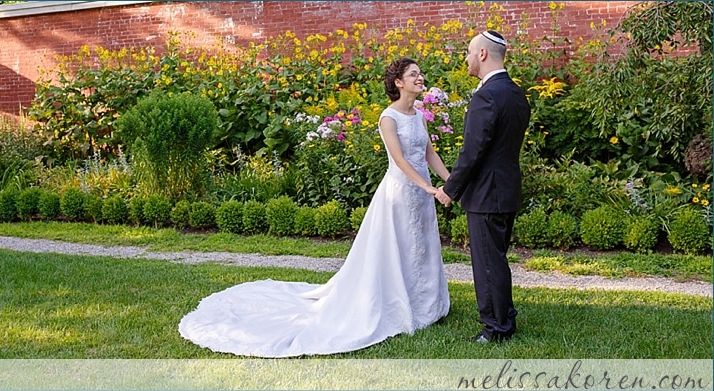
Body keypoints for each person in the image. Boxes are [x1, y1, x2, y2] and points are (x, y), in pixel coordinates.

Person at [178, 57, 451, 357]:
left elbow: (429, 154)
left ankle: (424, 305)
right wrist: (427, 187)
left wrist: (449, 183)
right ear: (399, 82)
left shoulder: (419, 117)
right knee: (396, 249)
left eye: (420, 74)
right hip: (400, 193)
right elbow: (399, 160)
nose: (420, 77)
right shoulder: (388, 118)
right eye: (414, 74)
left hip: (422, 194)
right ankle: (396, 306)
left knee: (420, 246)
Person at [435, 30, 530, 343]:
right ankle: (505, 317)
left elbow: (473, 150)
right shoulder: (516, 93)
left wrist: (451, 188)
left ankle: (496, 328)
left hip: (487, 194)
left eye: (469, 51)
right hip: (506, 189)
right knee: (496, 259)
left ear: (483, 55)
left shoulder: (487, 95)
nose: (466, 58)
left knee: (488, 264)